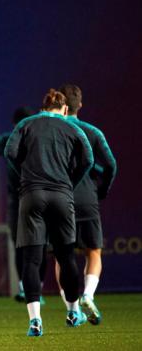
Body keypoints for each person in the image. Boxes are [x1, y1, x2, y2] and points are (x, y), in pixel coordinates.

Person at [5, 89, 94, 337]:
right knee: (66, 257)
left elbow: (9, 153)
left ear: (43, 107)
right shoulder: (72, 127)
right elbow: (88, 159)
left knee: (32, 260)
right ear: (65, 109)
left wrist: (26, 174)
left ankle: (35, 321)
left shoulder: (26, 124)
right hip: (62, 196)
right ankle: (73, 312)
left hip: (32, 195)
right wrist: (70, 181)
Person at [55, 84, 116, 325]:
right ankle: (88, 295)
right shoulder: (92, 132)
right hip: (87, 198)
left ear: (60, 103)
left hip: (59, 199)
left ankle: (72, 310)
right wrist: (102, 189)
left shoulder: (52, 130)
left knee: (61, 256)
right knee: (93, 251)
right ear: (79, 104)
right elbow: (111, 165)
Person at [0, 106, 43, 302]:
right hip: (23, 200)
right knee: (25, 245)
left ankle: (35, 288)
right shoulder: (7, 140)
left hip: (31, 199)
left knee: (34, 244)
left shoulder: (38, 138)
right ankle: (26, 288)